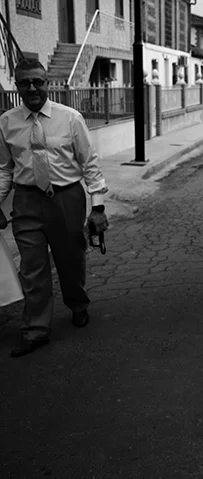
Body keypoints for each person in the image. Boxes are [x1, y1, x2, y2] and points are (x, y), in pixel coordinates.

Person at [0, 59, 109, 358]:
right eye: (25, 83)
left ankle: (78, 304)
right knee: (31, 267)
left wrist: (98, 207)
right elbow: (4, 169)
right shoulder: (7, 122)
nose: (32, 88)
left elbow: (90, 164)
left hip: (66, 198)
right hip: (26, 200)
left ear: (48, 83)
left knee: (70, 259)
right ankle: (35, 329)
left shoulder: (70, 118)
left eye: (38, 81)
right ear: (17, 86)